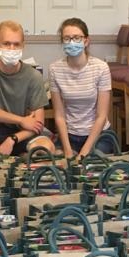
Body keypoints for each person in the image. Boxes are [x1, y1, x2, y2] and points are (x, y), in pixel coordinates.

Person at [0, 20, 55, 156]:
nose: (11, 49)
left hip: (20, 134)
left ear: (23, 46)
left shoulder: (33, 76)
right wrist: (21, 120)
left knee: (46, 148)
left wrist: (12, 139)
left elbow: (37, 123)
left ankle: (21, 164)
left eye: (16, 44)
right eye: (6, 44)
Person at [48, 17, 113, 158]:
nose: (71, 42)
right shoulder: (54, 69)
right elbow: (59, 115)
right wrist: (67, 150)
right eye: (67, 38)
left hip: (98, 135)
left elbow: (101, 116)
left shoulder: (101, 68)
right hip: (69, 135)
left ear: (86, 41)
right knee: (58, 161)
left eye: (76, 38)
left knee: (92, 161)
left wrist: (83, 153)